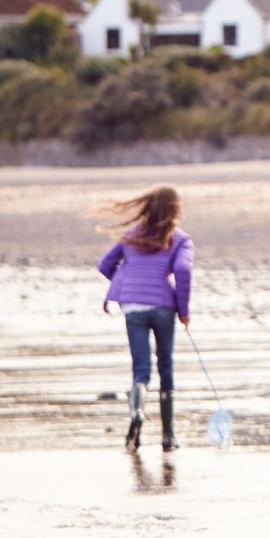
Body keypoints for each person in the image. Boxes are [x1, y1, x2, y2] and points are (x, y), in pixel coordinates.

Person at [96, 185, 193, 453]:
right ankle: (168, 436)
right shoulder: (180, 239)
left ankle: (137, 413)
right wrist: (183, 309)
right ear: (175, 210)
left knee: (141, 370)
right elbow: (183, 271)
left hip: (133, 308)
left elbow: (104, 264)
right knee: (166, 366)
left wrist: (127, 283)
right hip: (163, 307)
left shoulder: (131, 235)